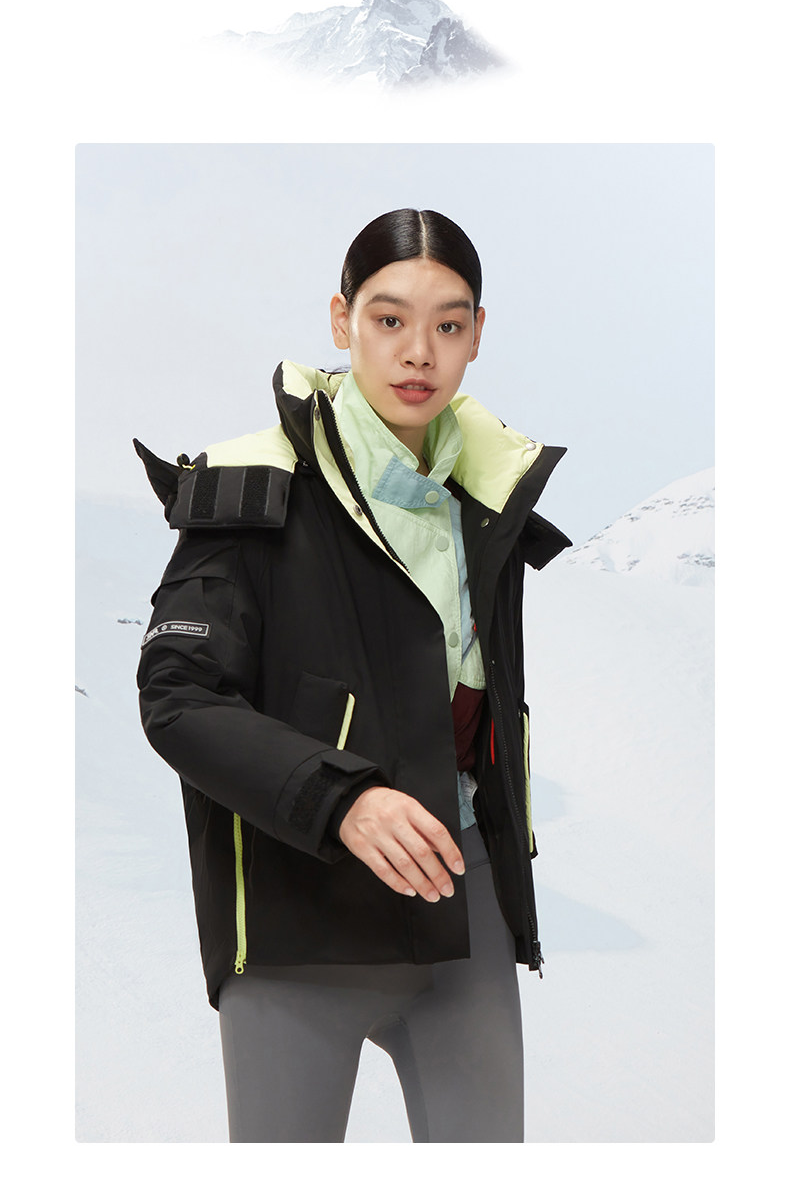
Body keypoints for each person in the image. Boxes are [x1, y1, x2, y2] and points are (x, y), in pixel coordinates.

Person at [135, 207, 571, 1143]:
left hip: (463, 906)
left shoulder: (484, 494)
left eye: (448, 324)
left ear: (477, 335)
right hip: (299, 920)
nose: (419, 351)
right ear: (342, 321)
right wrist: (342, 800)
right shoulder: (251, 485)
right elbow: (178, 696)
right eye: (389, 318)